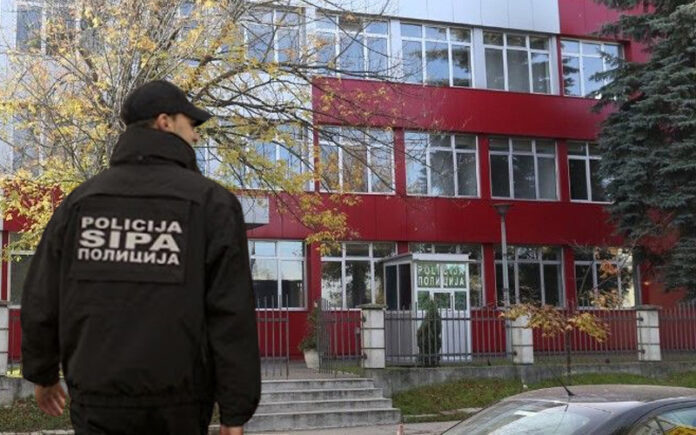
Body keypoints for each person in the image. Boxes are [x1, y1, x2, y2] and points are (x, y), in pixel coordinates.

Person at [20, 80, 261, 435]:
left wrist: (42, 373)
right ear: (164, 122)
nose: (196, 135)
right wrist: (234, 412)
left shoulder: (81, 202)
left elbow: (42, 296)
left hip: (97, 402)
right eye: (190, 124)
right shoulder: (212, 204)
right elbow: (230, 314)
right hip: (180, 405)